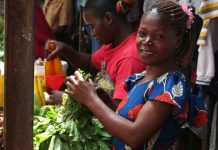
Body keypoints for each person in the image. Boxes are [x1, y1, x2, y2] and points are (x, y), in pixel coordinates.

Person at [65, 0, 208, 149]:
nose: (147, 41)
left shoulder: (169, 86)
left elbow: (134, 136)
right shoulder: (142, 78)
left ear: (177, 41)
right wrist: (98, 95)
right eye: (142, 33)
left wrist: (90, 99)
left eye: (158, 36)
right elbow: (127, 118)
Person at [45, 0, 146, 105]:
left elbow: (118, 109)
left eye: (92, 26)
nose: (92, 33)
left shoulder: (130, 58)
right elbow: (90, 64)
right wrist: (64, 48)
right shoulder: (112, 45)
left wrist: (69, 99)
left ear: (108, 18)